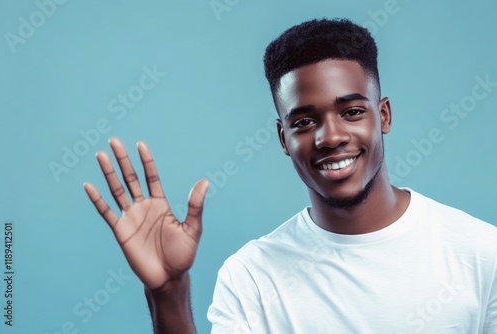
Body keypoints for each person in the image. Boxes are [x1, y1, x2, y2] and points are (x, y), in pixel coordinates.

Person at [83, 18, 497, 333]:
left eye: (352, 112)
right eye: (304, 122)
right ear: (283, 137)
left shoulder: (482, 253)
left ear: (383, 115)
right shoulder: (251, 277)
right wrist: (168, 291)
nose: (330, 136)